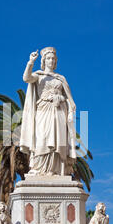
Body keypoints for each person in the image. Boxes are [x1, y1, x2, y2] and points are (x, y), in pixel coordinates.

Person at [20, 47, 77, 176]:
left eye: (53, 58)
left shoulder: (60, 78)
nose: (51, 61)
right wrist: (30, 62)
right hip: (43, 109)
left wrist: (64, 100)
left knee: (58, 140)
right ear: (44, 61)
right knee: (42, 138)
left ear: (55, 61)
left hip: (59, 110)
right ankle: (39, 168)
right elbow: (26, 78)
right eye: (48, 58)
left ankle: (56, 169)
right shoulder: (39, 75)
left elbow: (69, 99)